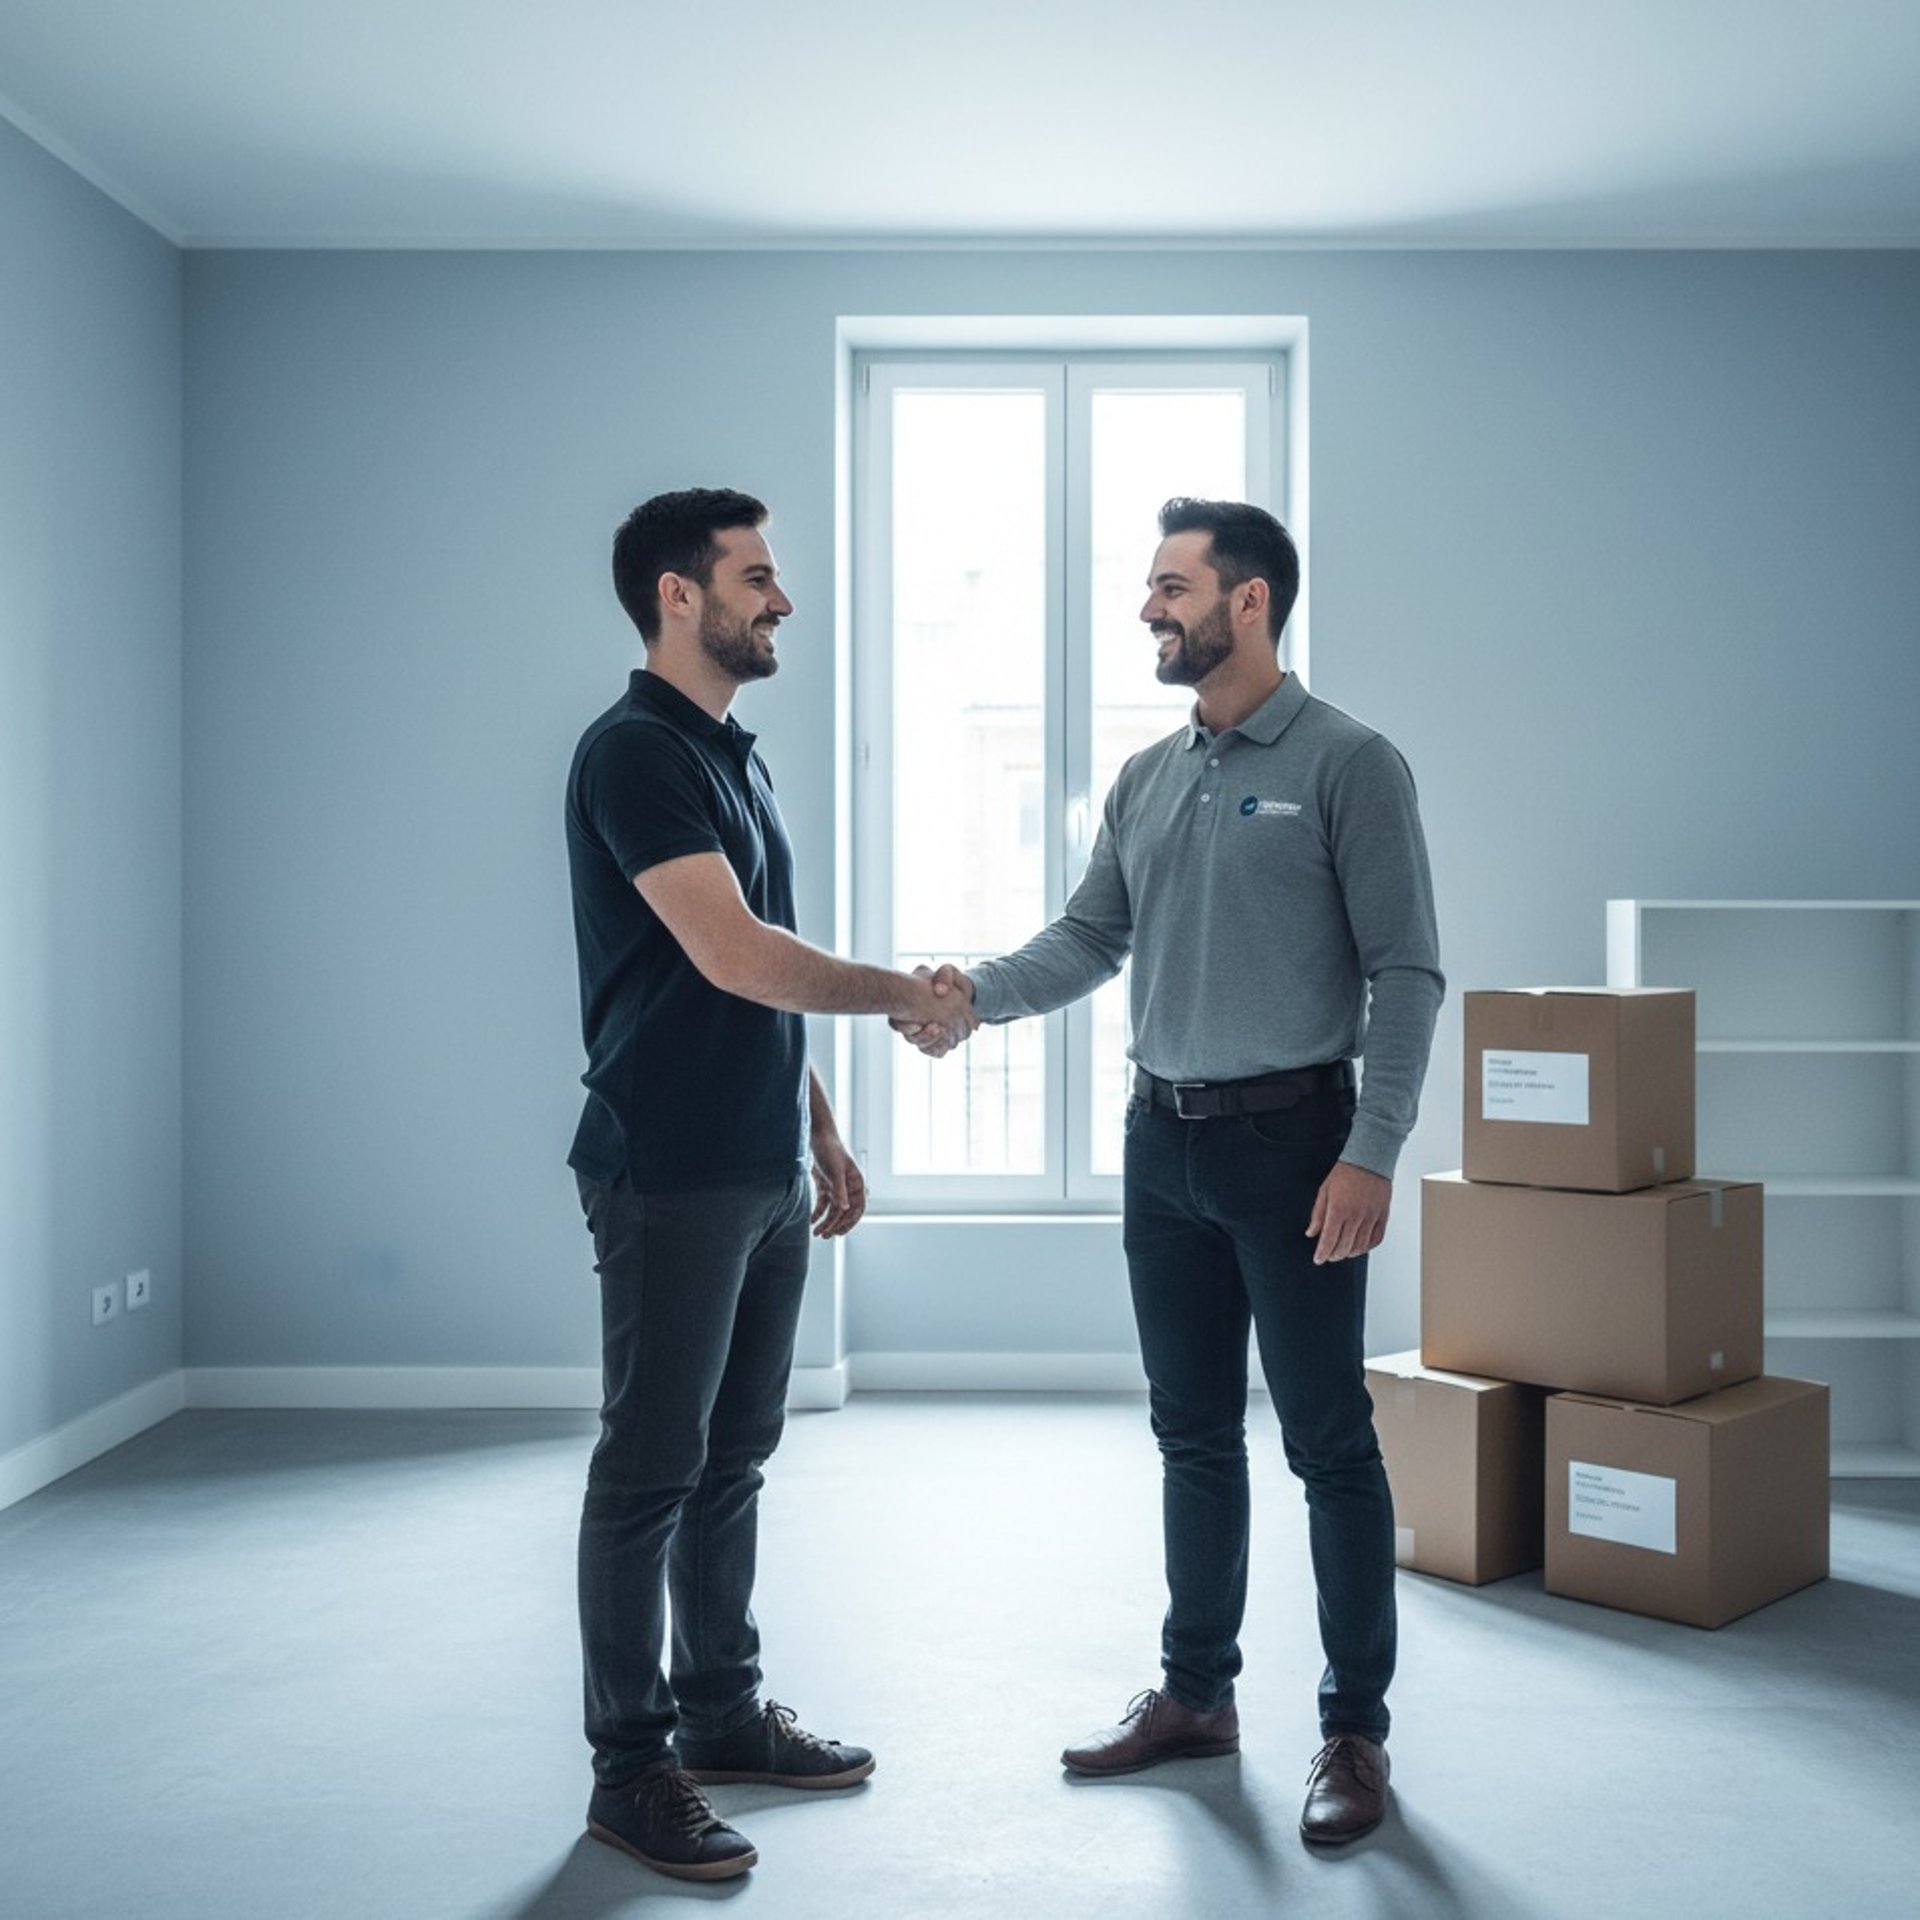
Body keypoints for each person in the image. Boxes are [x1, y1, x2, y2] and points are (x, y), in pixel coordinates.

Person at [898, 497, 1442, 1846]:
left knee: (1327, 1443)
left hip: (1295, 1149)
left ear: (1248, 601)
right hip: (1164, 1150)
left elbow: (1409, 973)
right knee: (1191, 1435)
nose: (1149, 607)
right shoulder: (1147, 777)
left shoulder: (1349, 764)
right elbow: (1091, 937)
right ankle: (1196, 1696)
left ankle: (1354, 1735)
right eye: (1151, 587)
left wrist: (1372, 1152)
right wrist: (973, 996)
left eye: (1169, 586)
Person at [566, 487, 974, 1882]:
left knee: (734, 1459)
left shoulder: (736, 757)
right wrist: (909, 992)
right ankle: (631, 1770)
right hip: (668, 1168)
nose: (780, 598)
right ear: (680, 595)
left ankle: (724, 1712)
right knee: (649, 1470)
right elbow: (735, 954)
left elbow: (753, 981)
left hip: (756, 1162)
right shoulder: (633, 755)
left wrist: (821, 1128)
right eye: (756, 575)